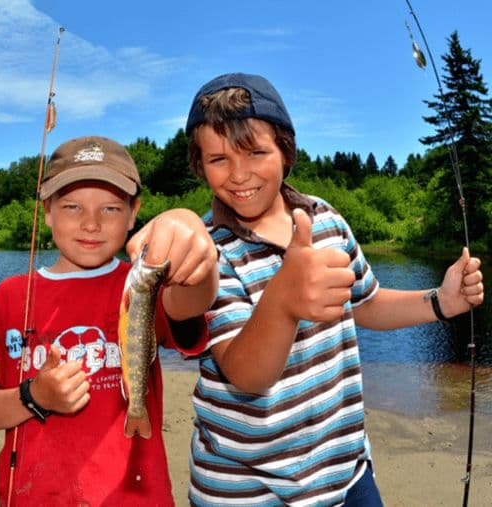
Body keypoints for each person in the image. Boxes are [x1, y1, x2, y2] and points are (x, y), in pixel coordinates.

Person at [183, 72, 485, 506]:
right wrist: (284, 301)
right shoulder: (206, 249)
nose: (239, 174)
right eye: (218, 159)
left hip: (346, 473)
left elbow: (367, 303)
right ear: (199, 165)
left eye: (256, 152)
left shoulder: (324, 218)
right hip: (246, 491)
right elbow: (246, 376)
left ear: (285, 152)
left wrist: (441, 301)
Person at [0, 135, 219, 506]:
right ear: (47, 210)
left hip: (135, 496)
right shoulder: (9, 297)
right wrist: (35, 397)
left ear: (134, 213)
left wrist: (194, 240)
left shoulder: (142, 284)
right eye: (71, 207)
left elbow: (193, 299)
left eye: (111, 209)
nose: (90, 223)